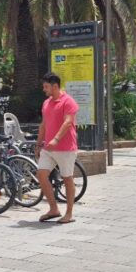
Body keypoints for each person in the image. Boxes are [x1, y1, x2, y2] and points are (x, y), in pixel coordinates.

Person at [35, 72, 79, 224]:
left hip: (65, 147)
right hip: (48, 148)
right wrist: (38, 143)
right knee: (41, 175)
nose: (44, 89)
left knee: (67, 178)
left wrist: (56, 138)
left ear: (55, 86)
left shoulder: (68, 101)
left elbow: (68, 122)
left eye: (46, 86)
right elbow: (44, 125)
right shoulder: (46, 103)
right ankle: (54, 209)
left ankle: (69, 213)